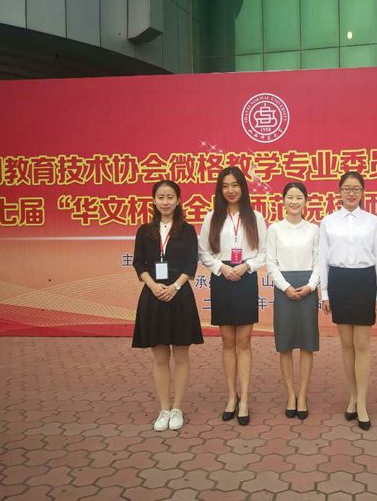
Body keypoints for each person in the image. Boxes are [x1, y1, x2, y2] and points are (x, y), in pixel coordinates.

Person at [132, 180, 203, 432]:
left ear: (178, 200)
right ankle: (163, 409)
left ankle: (177, 408)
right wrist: (153, 286)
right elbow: (139, 263)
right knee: (160, 357)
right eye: (161, 197)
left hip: (179, 296)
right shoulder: (145, 231)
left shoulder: (187, 230)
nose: (165, 202)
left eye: (170, 197)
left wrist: (175, 287)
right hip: (153, 296)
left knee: (181, 356)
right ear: (154, 200)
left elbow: (191, 263)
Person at [198, 166, 267, 426]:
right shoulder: (212, 217)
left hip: (246, 277)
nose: (230, 190)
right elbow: (203, 252)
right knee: (227, 341)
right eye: (225, 186)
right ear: (220, 189)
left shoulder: (256, 217)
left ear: (243, 188)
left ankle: (245, 399)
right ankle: (231, 397)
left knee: (244, 341)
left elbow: (264, 252)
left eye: (235, 185)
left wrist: (246, 266)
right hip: (222, 278)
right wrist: (221, 268)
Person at [319, 172, 377, 430]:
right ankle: (353, 397)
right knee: (346, 345)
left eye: (356, 188)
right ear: (339, 191)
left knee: (362, 345)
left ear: (362, 192)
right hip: (339, 281)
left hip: (364, 281)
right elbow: (322, 259)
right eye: (346, 188)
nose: (351, 193)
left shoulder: (372, 221)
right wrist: (325, 293)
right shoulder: (328, 222)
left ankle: (363, 404)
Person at [266, 182, 319, 420]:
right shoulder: (275, 229)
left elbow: (319, 262)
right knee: (285, 344)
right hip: (284, 290)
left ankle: (303, 394)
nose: (294, 201)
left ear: (306, 201)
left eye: (299, 197)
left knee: (307, 344)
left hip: (308, 288)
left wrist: (310, 286)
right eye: (290, 197)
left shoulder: (314, 230)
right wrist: (286, 287)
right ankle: (290, 394)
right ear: (283, 201)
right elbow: (271, 262)